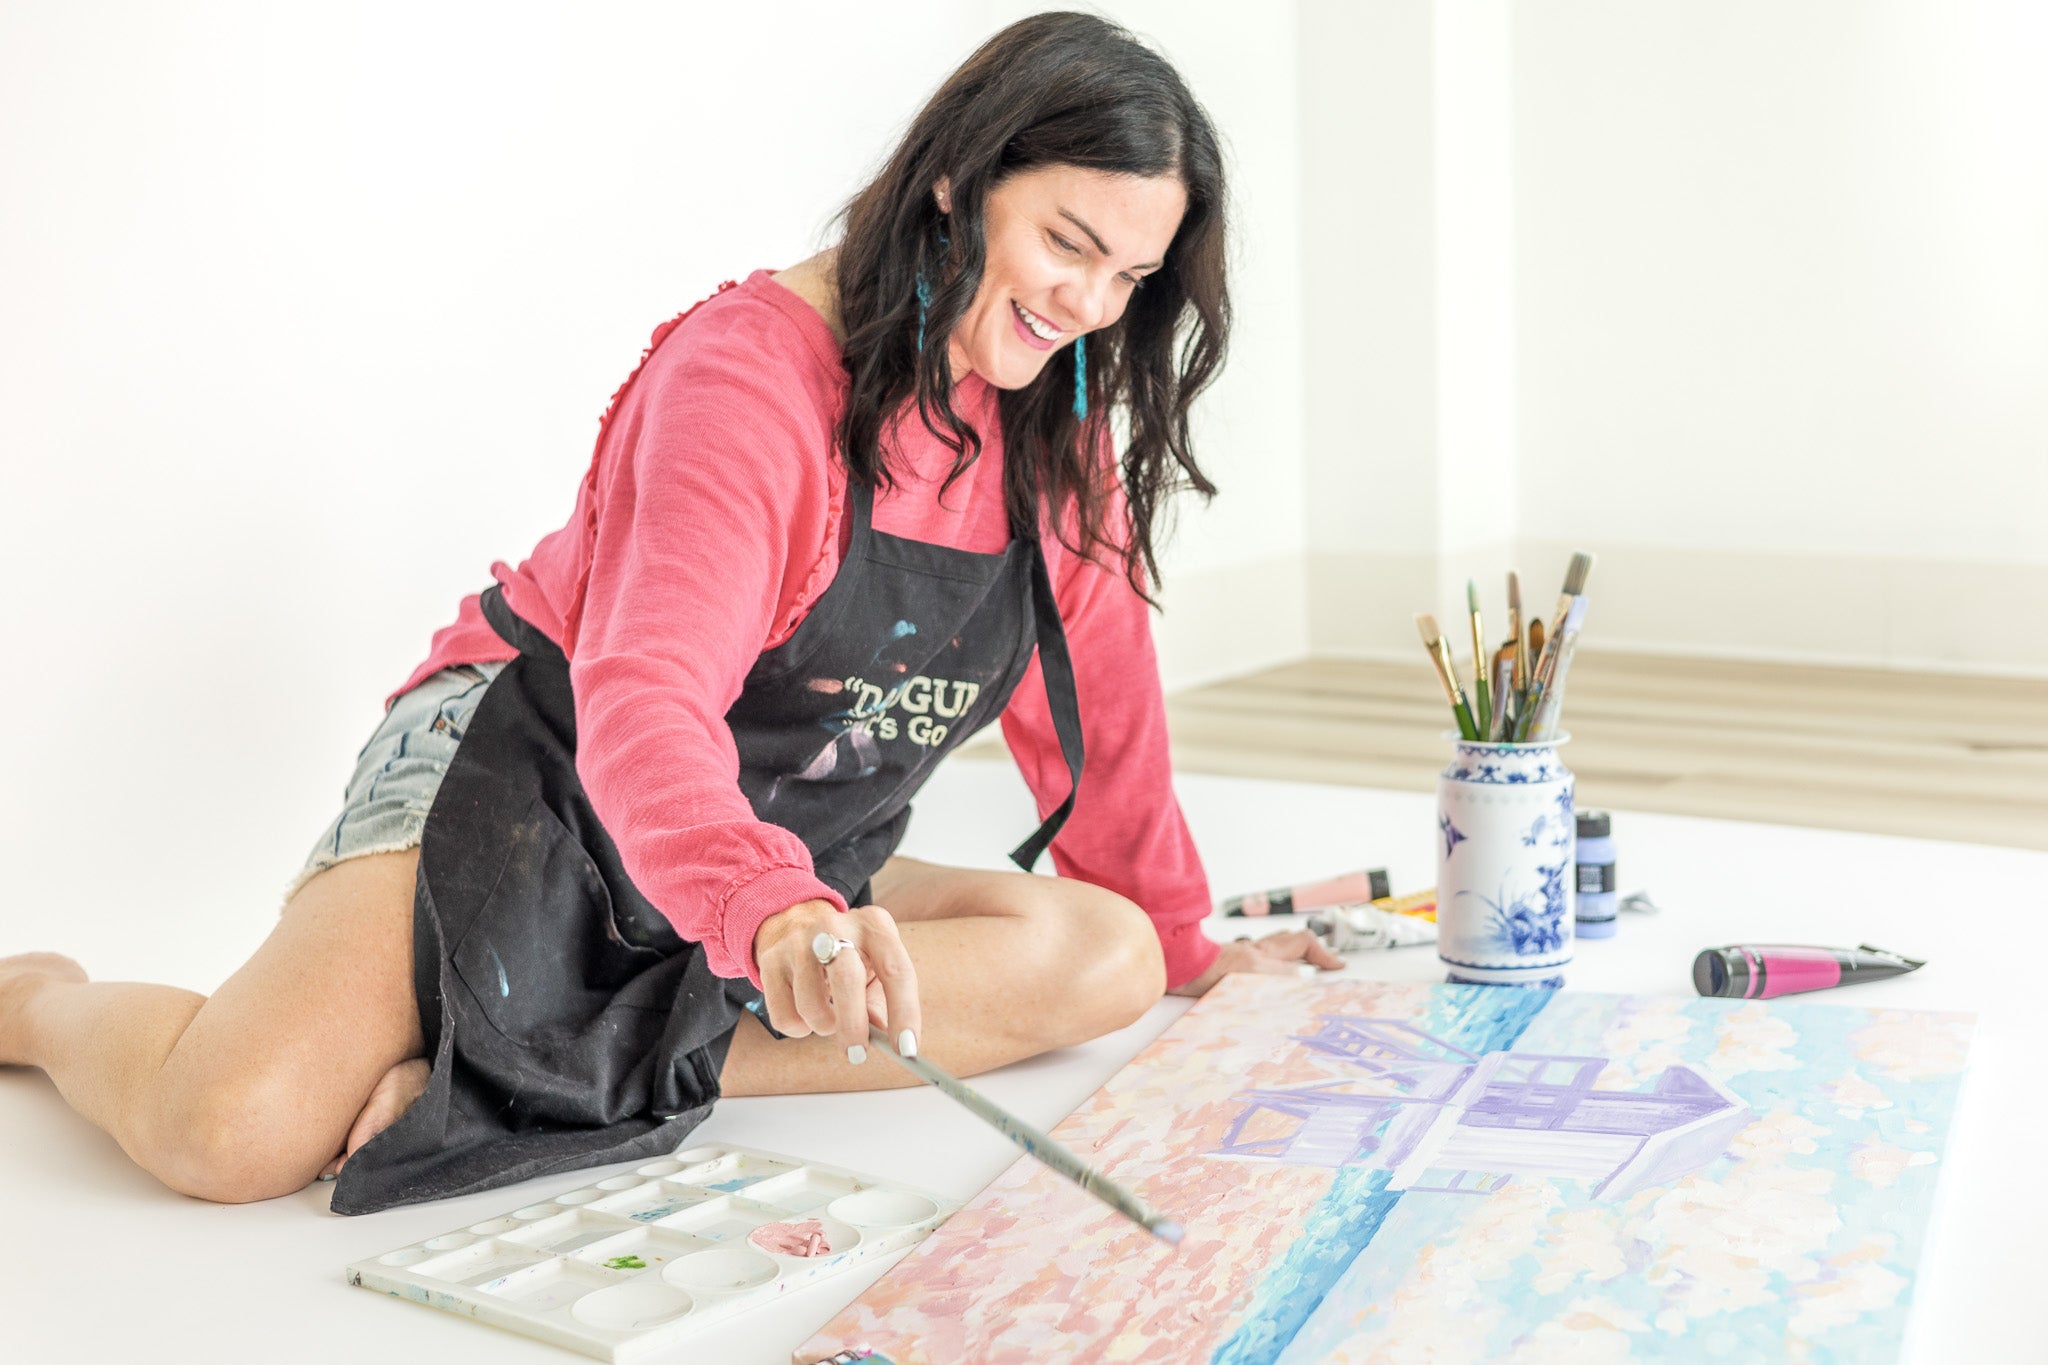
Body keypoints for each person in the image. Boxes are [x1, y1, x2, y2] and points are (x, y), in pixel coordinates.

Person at [0, 11, 1338, 1212]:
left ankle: (541, 1063)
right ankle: (40, 1000)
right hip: (542, 768)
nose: (1087, 306)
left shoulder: (1058, 430)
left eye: (1129, 279)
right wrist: (776, 916)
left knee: (1107, 957)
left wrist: (1188, 948)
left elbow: (1099, 706)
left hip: (765, 831)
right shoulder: (752, 378)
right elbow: (639, 701)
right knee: (225, 1131)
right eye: (1066, 243)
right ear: (959, 178)